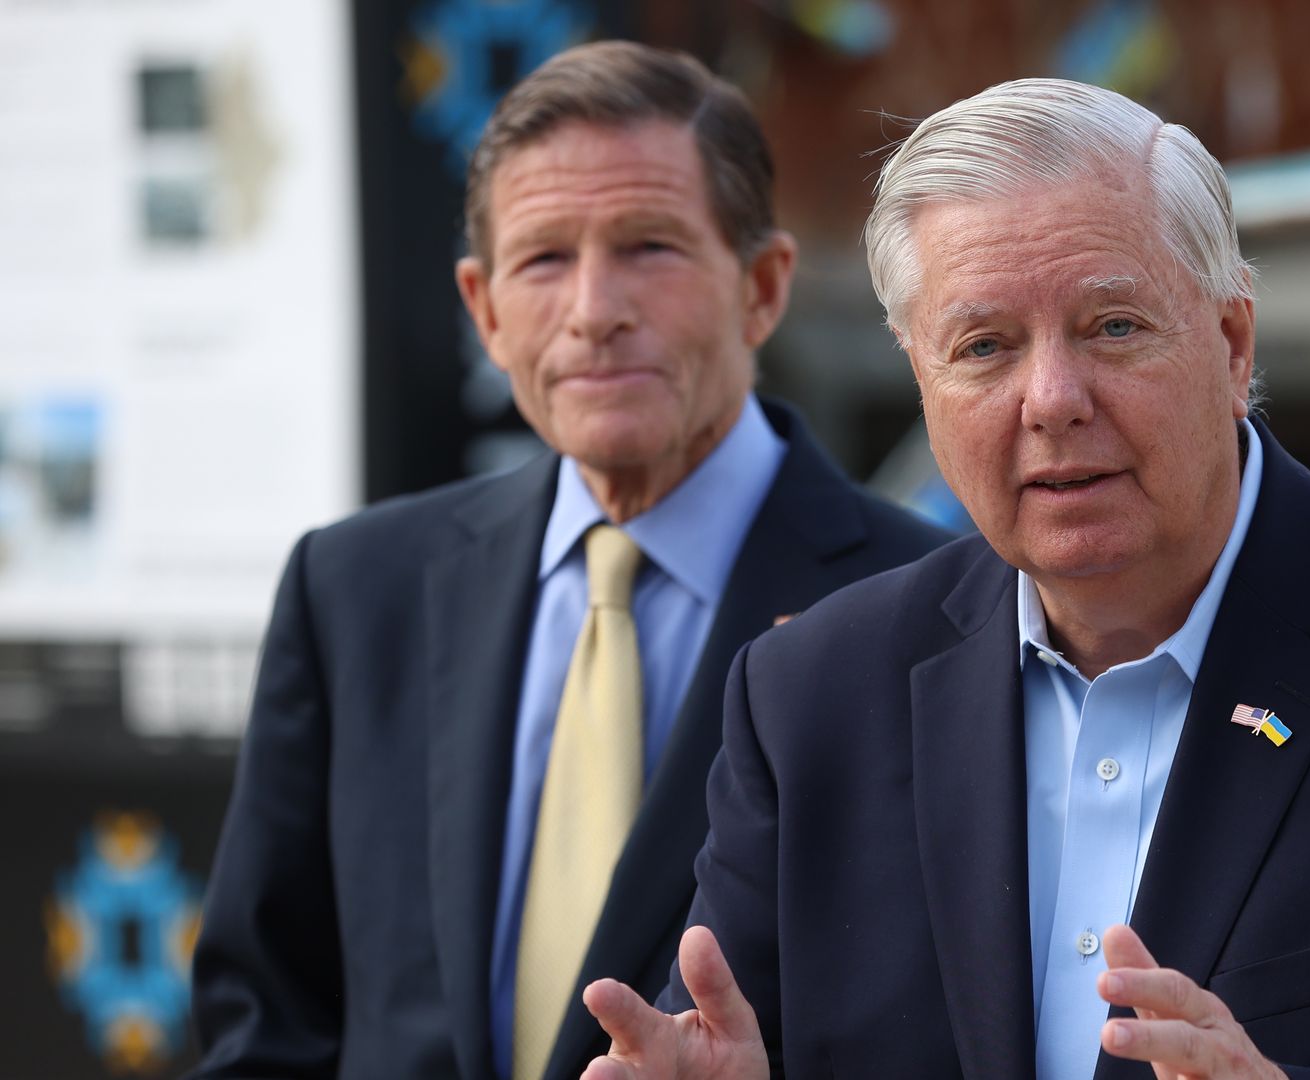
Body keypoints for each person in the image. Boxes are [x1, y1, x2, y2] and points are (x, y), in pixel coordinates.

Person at [577, 79, 1310, 1080]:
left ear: (1232, 344)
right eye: (983, 348)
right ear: (920, 380)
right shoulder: (809, 695)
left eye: (1114, 327)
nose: (1052, 398)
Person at [188, 41, 947, 1080]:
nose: (595, 310)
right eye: (545, 259)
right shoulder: (353, 593)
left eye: (650, 247)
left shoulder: (932, 612)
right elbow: (268, 1023)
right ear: (485, 310)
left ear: (763, 287)